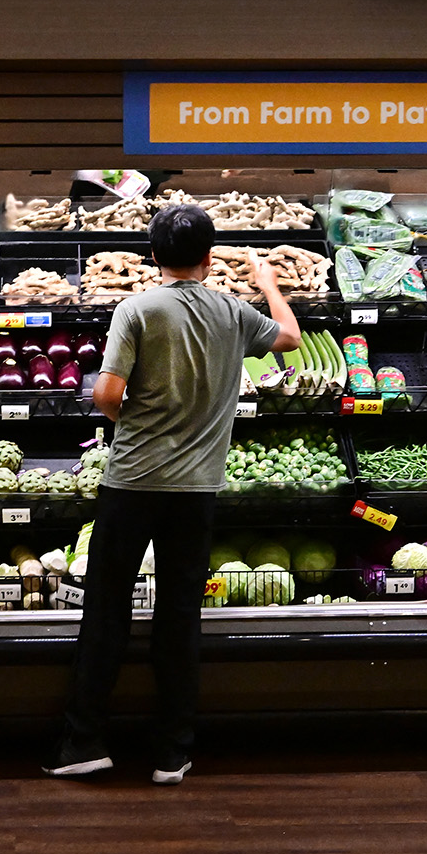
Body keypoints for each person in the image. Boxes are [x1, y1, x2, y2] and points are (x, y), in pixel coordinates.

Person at [45, 203, 302, 785]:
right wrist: (266, 284)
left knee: (106, 609)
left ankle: (83, 741)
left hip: (132, 480)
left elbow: (106, 394)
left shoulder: (136, 308)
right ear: (210, 260)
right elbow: (287, 336)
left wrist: (129, 415)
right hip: (197, 489)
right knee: (180, 615)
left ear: (154, 257)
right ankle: (172, 753)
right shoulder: (234, 312)